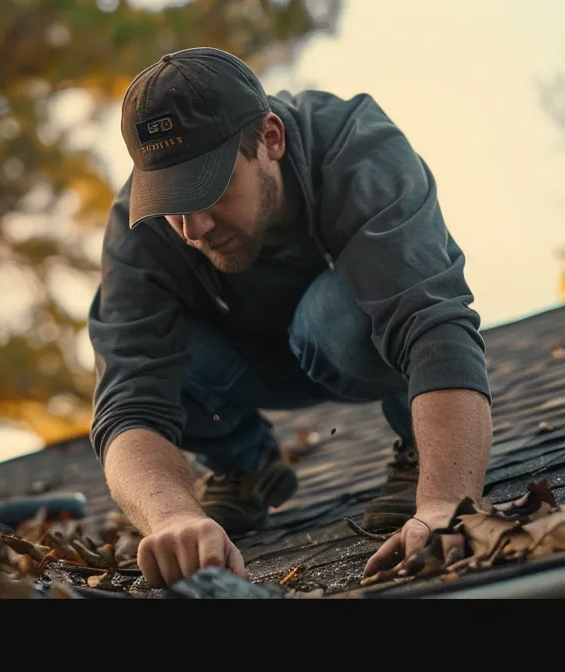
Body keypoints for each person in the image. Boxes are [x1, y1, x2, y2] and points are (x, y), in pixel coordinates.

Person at [85, 47, 494, 589]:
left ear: (270, 139)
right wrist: (173, 517)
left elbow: (432, 325)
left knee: (330, 318)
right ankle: (244, 463)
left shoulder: (355, 146)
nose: (193, 227)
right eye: (171, 200)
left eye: (209, 190)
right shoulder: (141, 229)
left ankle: (422, 451)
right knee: (147, 352)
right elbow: (126, 405)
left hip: (354, 337)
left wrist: (446, 500)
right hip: (244, 363)